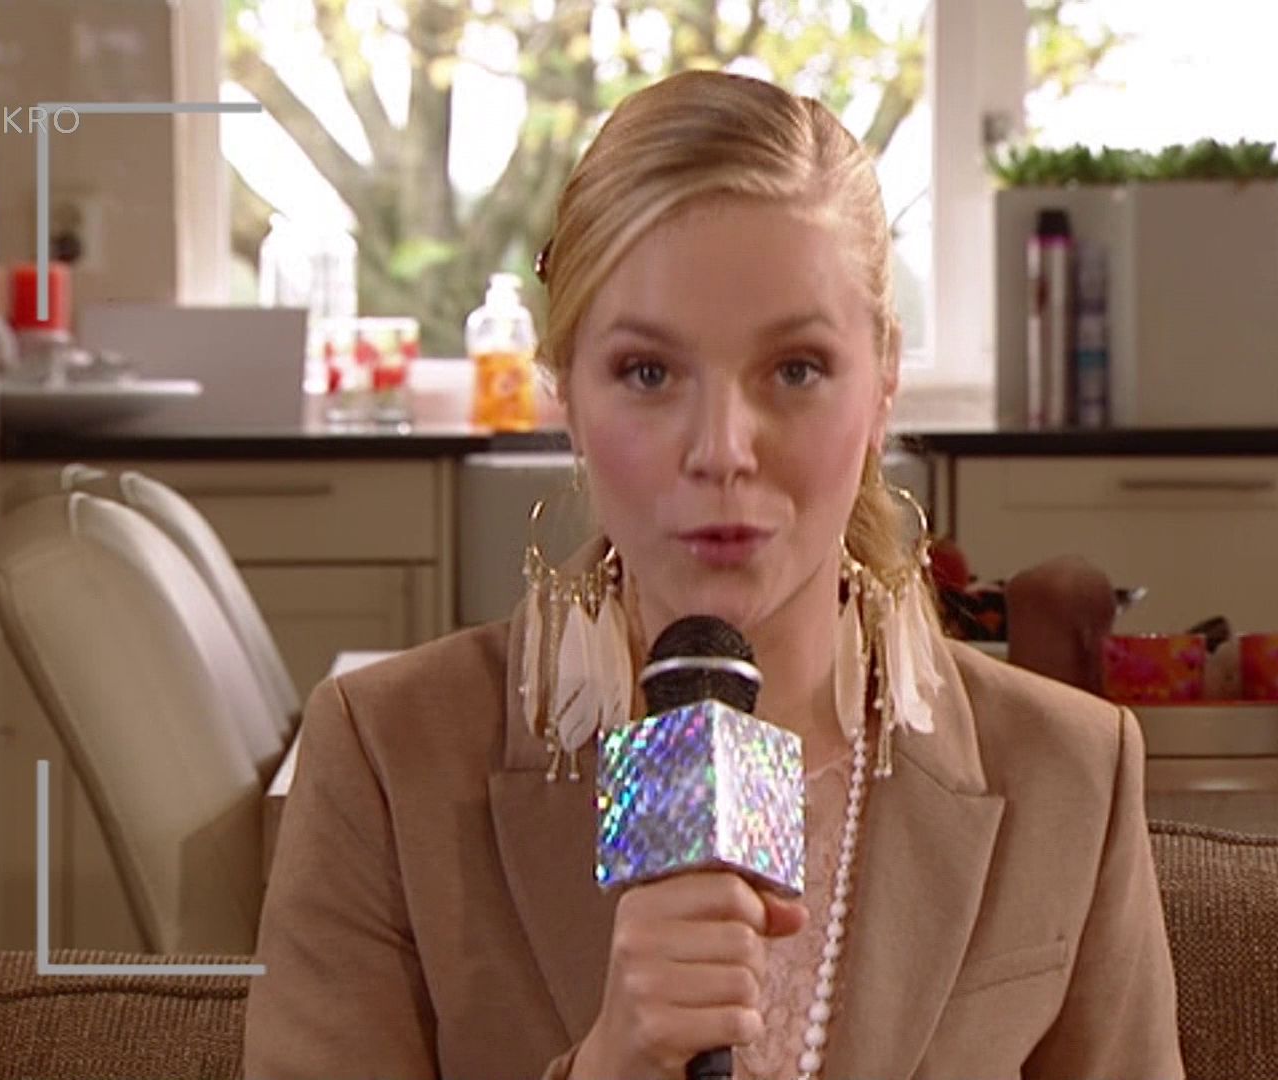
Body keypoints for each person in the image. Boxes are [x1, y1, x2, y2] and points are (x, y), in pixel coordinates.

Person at [243, 69, 1184, 1080]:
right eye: (649, 372)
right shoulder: (386, 763)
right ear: (567, 393)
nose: (723, 450)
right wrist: (613, 1065)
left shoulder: (1070, 775)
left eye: (796, 370)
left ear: (883, 382)